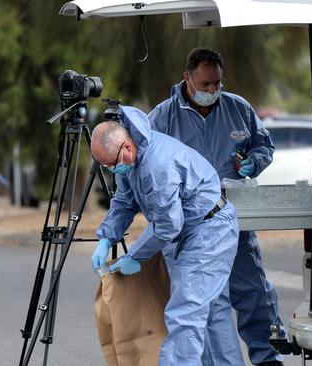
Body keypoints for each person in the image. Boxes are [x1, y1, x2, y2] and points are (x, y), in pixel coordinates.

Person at [148, 48, 285, 366]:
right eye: (206, 84)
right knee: (209, 303)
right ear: (188, 78)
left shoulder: (238, 108)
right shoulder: (164, 116)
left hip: (235, 218)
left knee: (254, 293)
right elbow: (150, 165)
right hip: (193, 225)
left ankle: (267, 358)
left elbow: (263, 145)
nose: (212, 91)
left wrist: (254, 162)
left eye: (217, 84)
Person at [90, 106, 244, 366]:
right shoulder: (132, 160)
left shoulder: (157, 165)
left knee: (184, 315)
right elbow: (124, 202)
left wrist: (135, 256)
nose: (110, 170)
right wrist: (106, 238)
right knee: (211, 315)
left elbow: (167, 225)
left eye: (111, 165)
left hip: (208, 231)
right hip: (191, 231)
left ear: (126, 147)